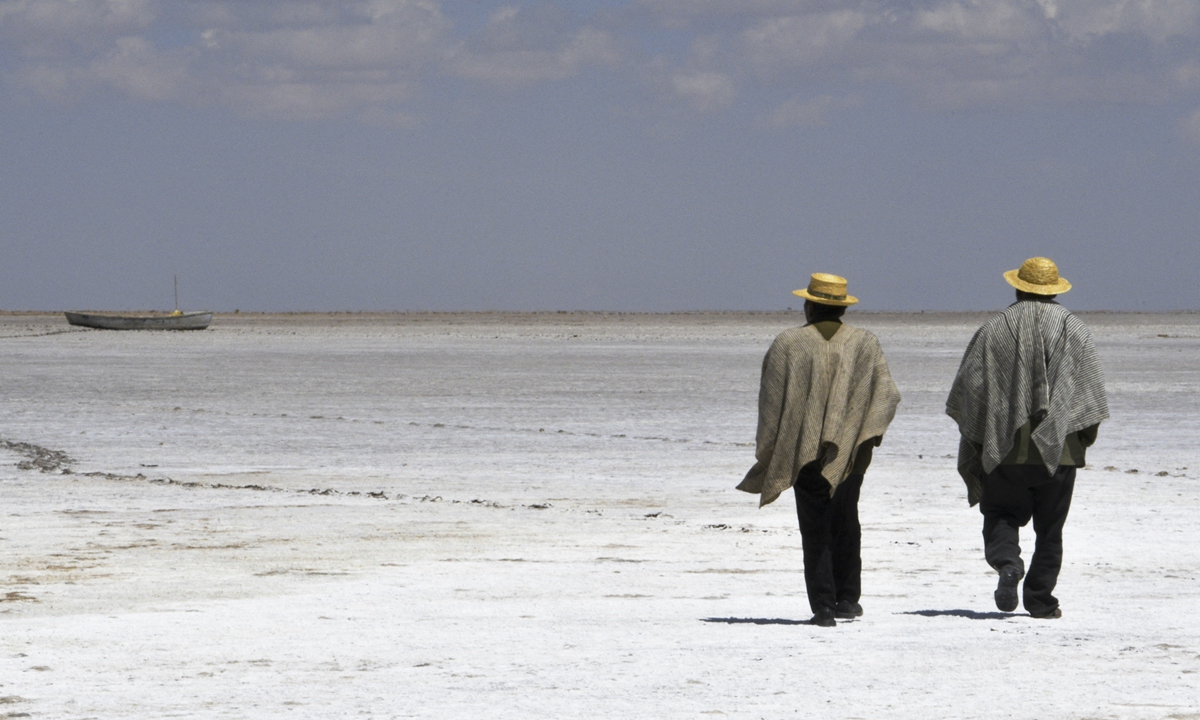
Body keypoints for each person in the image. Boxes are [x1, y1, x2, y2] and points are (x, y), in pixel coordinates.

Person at [946, 257, 1108, 619]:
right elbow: (1090, 393)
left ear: (1018, 287)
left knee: (1001, 513)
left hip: (1004, 446)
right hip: (1061, 448)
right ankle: (1041, 601)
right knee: (1050, 529)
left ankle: (1007, 563)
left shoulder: (994, 329)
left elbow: (970, 387)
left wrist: (981, 432)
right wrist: (1081, 439)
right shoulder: (1075, 329)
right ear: (1054, 290)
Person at [738, 273, 901, 627]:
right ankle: (847, 599)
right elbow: (886, 395)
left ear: (810, 305)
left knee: (815, 529)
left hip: (803, 454)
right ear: (841, 307)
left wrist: (773, 449)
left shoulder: (789, 343)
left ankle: (824, 607)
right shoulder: (864, 343)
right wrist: (864, 436)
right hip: (851, 457)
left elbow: (771, 403)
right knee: (846, 524)